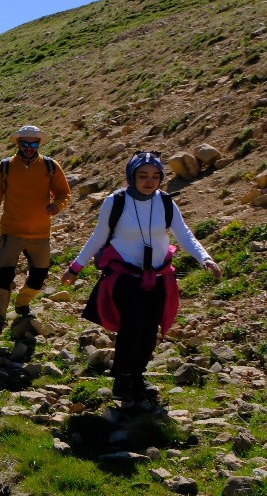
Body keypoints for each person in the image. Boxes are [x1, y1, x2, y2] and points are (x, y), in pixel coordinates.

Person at [61, 151, 222, 411]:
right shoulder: (116, 201)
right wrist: (75, 267)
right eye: (143, 175)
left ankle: (137, 376)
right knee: (133, 322)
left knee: (149, 329)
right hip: (123, 275)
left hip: (157, 275)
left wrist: (205, 258)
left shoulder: (165, 202)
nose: (150, 181)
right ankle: (122, 379)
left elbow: (183, 234)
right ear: (131, 176)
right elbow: (98, 237)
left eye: (155, 176)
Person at [0, 125, 72, 334]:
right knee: (4, 274)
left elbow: (64, 192)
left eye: (34, 144)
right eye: (25, 143)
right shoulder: (5, 167)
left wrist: (58, 205)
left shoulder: (50, 166)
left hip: (40, 232)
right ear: (18, 143)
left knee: (39, 275)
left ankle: (22, 302)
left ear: (39, 144)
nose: (29, 148)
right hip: (11, 231)